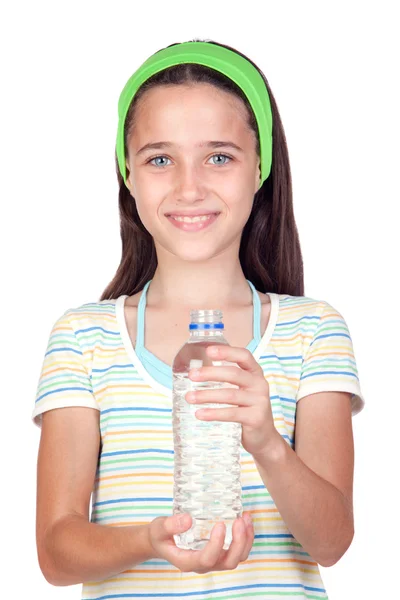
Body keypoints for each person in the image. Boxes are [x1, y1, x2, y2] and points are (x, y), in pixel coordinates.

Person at [32, 38, 365, 600]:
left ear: (259, 167)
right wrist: (147, 540)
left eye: (219, 157)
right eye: (160, 159)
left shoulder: (313, 333)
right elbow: (56, 553)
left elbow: (331, 542)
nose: (190, 187)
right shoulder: (83, 339)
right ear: (127, 174)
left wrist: (265, 441)